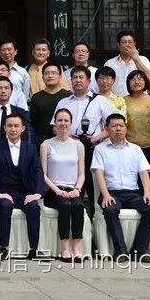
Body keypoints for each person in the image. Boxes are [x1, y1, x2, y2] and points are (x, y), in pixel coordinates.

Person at [92, 114, 150, 263]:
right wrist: (106, 195)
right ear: (107, 129)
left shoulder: (135, 149)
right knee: (110, 210)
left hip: (133, 194)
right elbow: (99, 173)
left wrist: (147, 193)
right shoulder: (100, 149)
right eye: (114, 126)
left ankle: (138, 251)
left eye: (121, 126)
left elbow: (144, 173)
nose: (118, 129)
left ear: (126, 128)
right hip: (111, 193)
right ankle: (120, 251)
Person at [53, 65, 115, 213]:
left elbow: (111, 126)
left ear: (88, 81)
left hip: (93, 148)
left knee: (94, 185)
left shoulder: (100, 100)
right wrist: (69, 138)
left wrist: (95, 138)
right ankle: (75, 217)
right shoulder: (63, 102)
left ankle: (95, 215)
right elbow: (54, 127)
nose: (78, 80)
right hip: (69, 149)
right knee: (73, 185)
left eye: (81, 77)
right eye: (74, 78)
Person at [0, 112, 43, 260]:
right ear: (4, 127)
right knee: (5, 206)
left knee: (34, 207)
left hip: (25, 192)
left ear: (23, 128)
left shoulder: (30, 148)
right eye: (9, 125)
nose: (13, 129)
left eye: (16, 126)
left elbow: (38, 170)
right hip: (5, 192)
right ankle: (3, 247)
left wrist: (37, 193)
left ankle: (34, 249)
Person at [40, 108, 86, 262]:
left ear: (71, 123)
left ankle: (77, 247)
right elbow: (43, 174)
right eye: (59, 120)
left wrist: (77, 189)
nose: (63, 123)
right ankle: (65, 248)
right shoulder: (46, 144)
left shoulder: (78, 145)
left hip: (73, 190)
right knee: (65, 206)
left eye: (66, 120)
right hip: (53, 190)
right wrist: (57, 190)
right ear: (54, 123)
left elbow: (82, 173)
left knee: (78, 205)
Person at [124, 70, 150, 201]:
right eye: (133, 79)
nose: (137, 81)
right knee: (133, 182)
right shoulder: (123, 101)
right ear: (128, 82)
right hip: (130, 148)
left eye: (140, 79)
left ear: (145, 82)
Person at [29, 63, 72, 146]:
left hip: (65, 141)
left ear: (60, 76)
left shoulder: (68, 96)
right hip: (42, 142)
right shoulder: (36, 97)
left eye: (53, 73)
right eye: (47, 73)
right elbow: (33, 123)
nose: (50, 76)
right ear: (42, 77)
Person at [104, 31, 150, 96]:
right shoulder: (109, 63)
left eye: (130, 42)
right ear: (118, 45)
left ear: (134, 44)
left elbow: (149, 77)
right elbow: (104, 83)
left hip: (139, 100)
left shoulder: (143, 59)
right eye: (124, 42)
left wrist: (136, 59)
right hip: (117, 100)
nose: (127, 44)